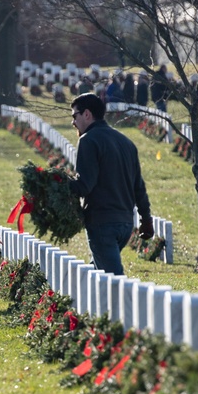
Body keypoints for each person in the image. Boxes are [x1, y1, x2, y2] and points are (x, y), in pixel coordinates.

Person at [67, 92, 155, 276]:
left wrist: (58, 182)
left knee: (113, 280)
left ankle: (128, 305)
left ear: (87, 114)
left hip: (102, 222)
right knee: (94, 274)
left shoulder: (88, 140)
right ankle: (80, 304)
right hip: (124, 223)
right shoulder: (126, 143)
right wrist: (145, 219)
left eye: (74, 116)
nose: (73, 122)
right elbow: (138, 187)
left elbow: (84, 186)